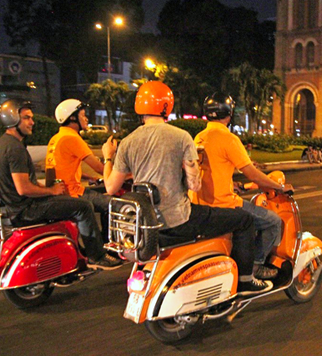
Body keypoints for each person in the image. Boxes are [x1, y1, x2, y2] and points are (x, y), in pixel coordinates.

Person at [101, 81, 272, 295]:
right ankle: (246, 280)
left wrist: (108, 156)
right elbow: (194, 184)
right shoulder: (181, 137)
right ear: (166, 107)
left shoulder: (127, 142)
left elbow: (110, 187)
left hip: (147, 224)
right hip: (179, 220)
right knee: (244, 221)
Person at [0, 99, 122, 269]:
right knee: (84, 207)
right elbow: (23, 188)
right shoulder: (15, 148)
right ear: (13, 120)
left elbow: (32, 179)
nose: (32, 122)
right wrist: (51, 190)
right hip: (24, 209)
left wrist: (49, 188)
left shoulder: (3, 145)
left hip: (10, 208)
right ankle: (98, 256)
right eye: (26, 118)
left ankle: (88, 249)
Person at [191, 93, 289, 280]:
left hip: (201, 203)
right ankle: (255, 266)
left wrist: (234, 184)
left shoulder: (199, 137)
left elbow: (213, 169)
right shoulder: (228, 138)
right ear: (229, 113)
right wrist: (278, 187)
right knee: (273, 221)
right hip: (223, 204)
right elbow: (251, 173)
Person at [45, 99, 112, 242]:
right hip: (73, 192)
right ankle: (105, 246)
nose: (86, 118)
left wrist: (87, 177)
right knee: (112, 205)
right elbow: (99, 168)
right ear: (72, 118)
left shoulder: (56, 138)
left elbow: (61, 168)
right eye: (83, 115)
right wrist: (111, 161)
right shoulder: (72, 138)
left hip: (60, 191)